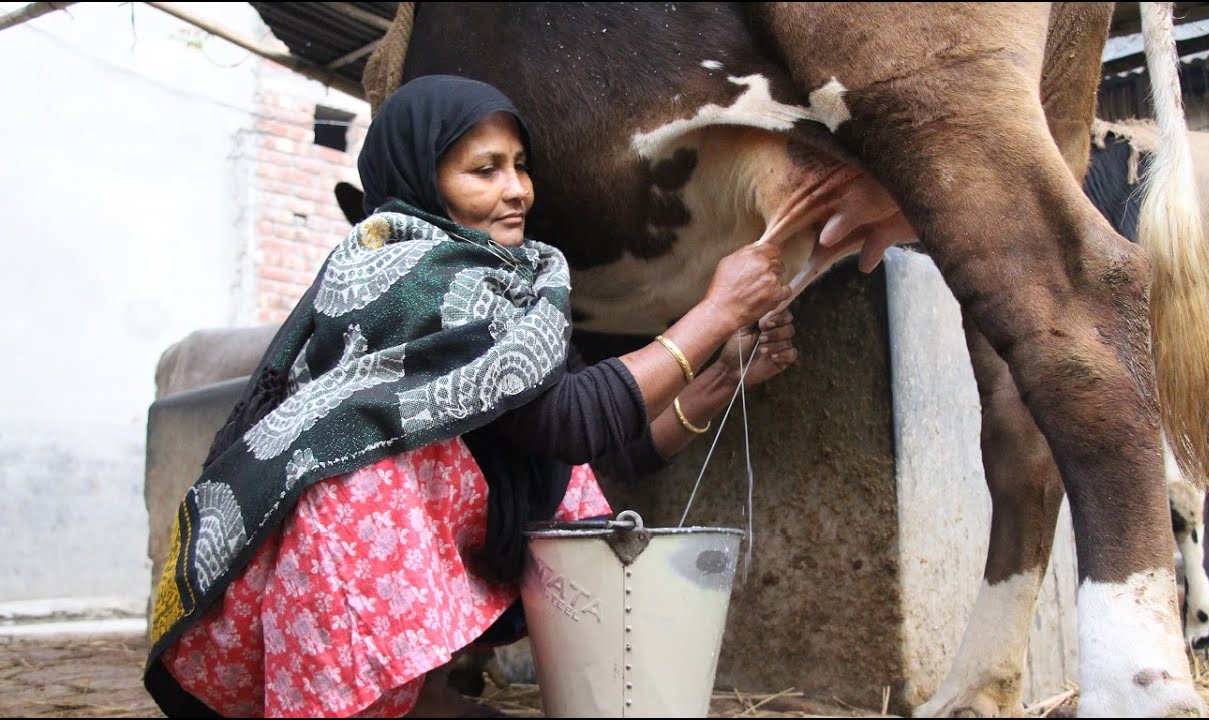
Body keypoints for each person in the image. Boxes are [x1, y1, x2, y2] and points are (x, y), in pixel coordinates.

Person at [143, 74, 797, 719]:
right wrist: (714, 312)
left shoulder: (501, 287)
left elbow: (588, 447)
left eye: (519, 165)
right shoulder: (408, 273)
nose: (516, 190)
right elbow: (570, 422)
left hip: (338, 605)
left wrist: (721, 378)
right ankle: (372, 701)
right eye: (483, 171)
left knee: (549, 474)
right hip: (288, 610)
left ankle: (416, 697)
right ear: (423, 181)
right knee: (372, 475)